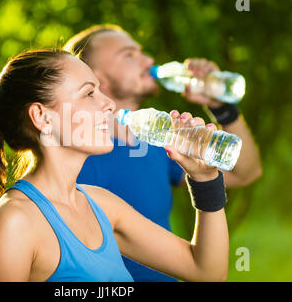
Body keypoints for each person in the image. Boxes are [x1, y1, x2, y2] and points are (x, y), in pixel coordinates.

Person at [0, 48, 229, 282]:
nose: (109, 104)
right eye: (89, 94)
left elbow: (205, 271)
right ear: (42, 117)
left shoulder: (103, 205)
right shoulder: (14, 222)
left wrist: (205, 179)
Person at [64, 24, 262, 282]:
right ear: (94, 77)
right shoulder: (75, 158)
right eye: (129, 55)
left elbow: (246, 172)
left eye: (141, 52)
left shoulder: (155, 139)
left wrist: (220, 105)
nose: (147, 60)